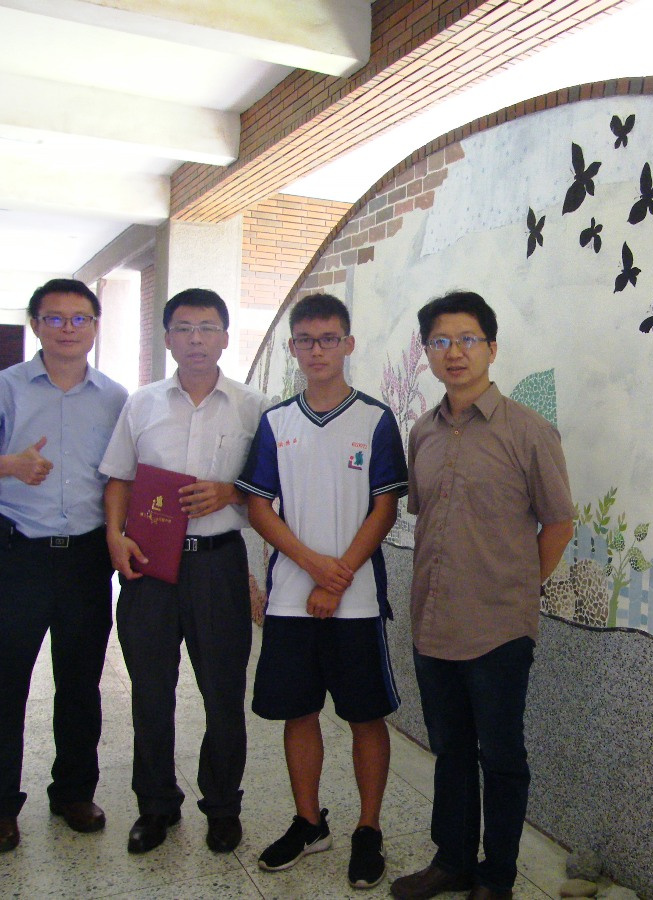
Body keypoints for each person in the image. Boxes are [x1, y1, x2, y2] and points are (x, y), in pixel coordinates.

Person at [391, 291, 574, 900]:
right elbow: (430, 515)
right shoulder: (422, 433)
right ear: (428, 354)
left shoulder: (529, 432)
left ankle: (496, 878)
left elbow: (558, 523)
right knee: (449, 751)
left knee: (500, 757)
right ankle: (452, 862)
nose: (455, 352)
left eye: (468, 339)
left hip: (498, 627)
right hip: (433, 622)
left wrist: (520, 587)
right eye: (440, 342)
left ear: (492, 348)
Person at [0, 278, 127, 853]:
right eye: (55, 318)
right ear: (36, 325)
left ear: (96, 327)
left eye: (80, 319)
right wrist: (9, 465)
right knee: (7, 684)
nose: (68, 328)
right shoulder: (0, 389)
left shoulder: (116, 398)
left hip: (85, 561)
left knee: (80, 683)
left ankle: (73, 792)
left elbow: (126, 478)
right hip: (17, 557)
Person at [237, 293, 408, 889]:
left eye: (329, 339)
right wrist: (313, 567)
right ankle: (309, 822)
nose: (318, 350)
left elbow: (384, 508)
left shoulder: (376, 419)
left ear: (348, 344)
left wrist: (339, 579)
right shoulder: (276, 421)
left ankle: (368, 829)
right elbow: (259, 507)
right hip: (291, 599)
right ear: (292, 348)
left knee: (365, 716)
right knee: (298, 712)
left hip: (357, 601)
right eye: (306, 340)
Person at [100, 288, 268, 855]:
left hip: (218, 565)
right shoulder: (142, 403)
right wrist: (114, 537)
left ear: (225, 336)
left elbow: (269, 494)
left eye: (208, 328)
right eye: (184, 328)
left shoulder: (254, 406)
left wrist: (230, 493)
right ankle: (155, 805)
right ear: (168, 337)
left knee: (223, 693)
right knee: (150, 691)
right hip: (148, 566)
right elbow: (119, 477)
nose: (196, 339)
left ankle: (222, 805)